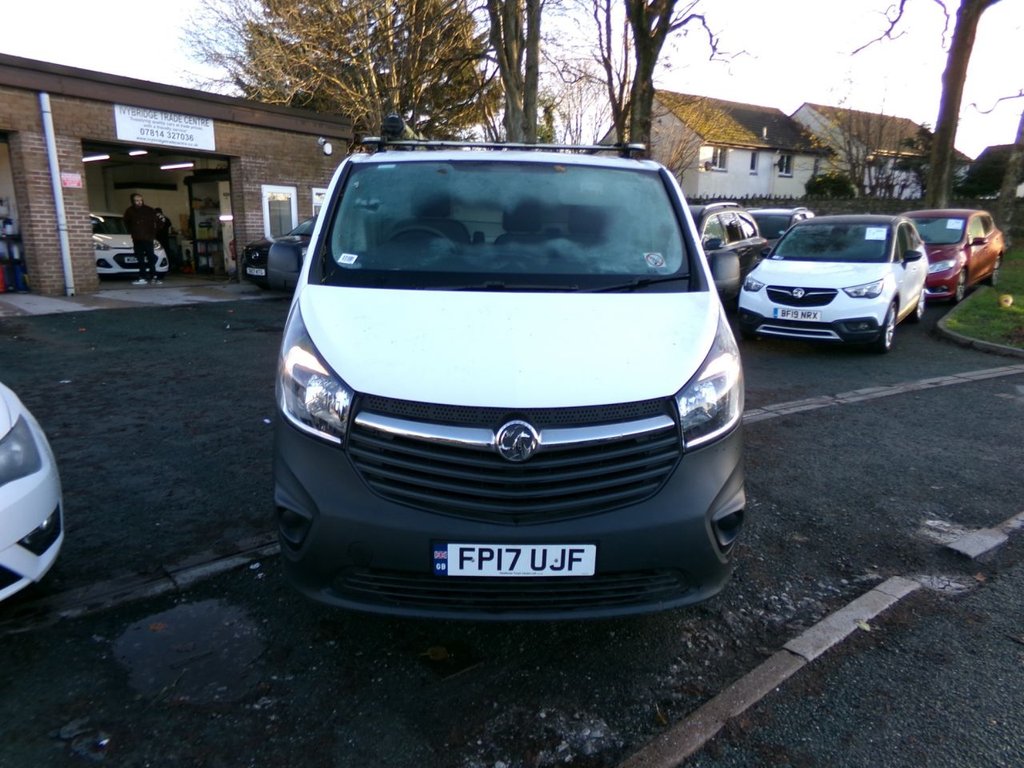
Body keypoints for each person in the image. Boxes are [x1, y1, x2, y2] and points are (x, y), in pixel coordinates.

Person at [123, 193, 160, 285]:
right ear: (133, 201)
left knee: (150, 257)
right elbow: (126, 222)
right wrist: (132, 232)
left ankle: (153, 276)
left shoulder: (149, 210)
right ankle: (143, 276)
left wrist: (153, 233)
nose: (139, 202)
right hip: (137, 238)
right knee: (140, 258)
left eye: (140, 200)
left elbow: (160, 221)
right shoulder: (130, 211)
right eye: (136, 201)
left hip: (147, 238)